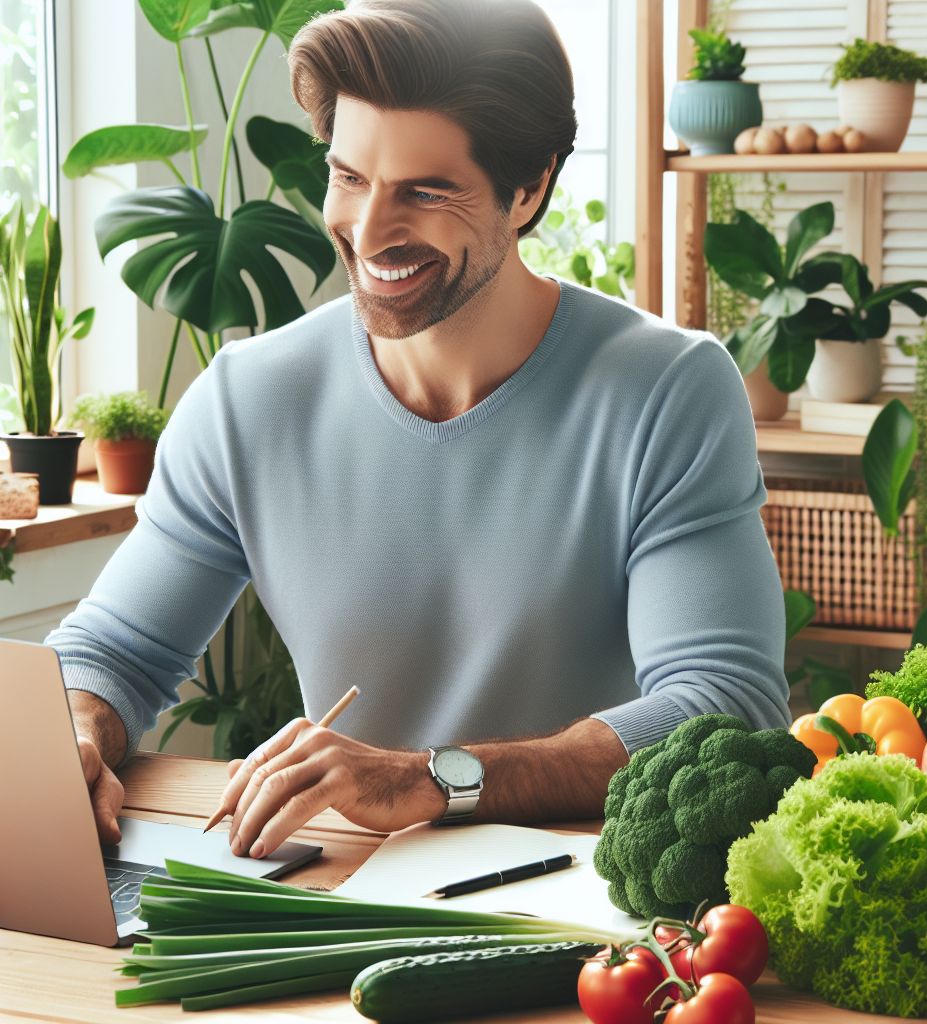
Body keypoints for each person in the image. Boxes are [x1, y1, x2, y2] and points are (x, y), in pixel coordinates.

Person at [48, 0, 790, 861]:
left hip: (581, 916)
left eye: (425, 192)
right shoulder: (248, 399)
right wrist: (80, 732)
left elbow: (723, 702)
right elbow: (113, 651)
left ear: (530, 188)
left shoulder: (667, 390)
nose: (368, 232)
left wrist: (433, 779)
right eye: (351, 177)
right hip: (339, 897)